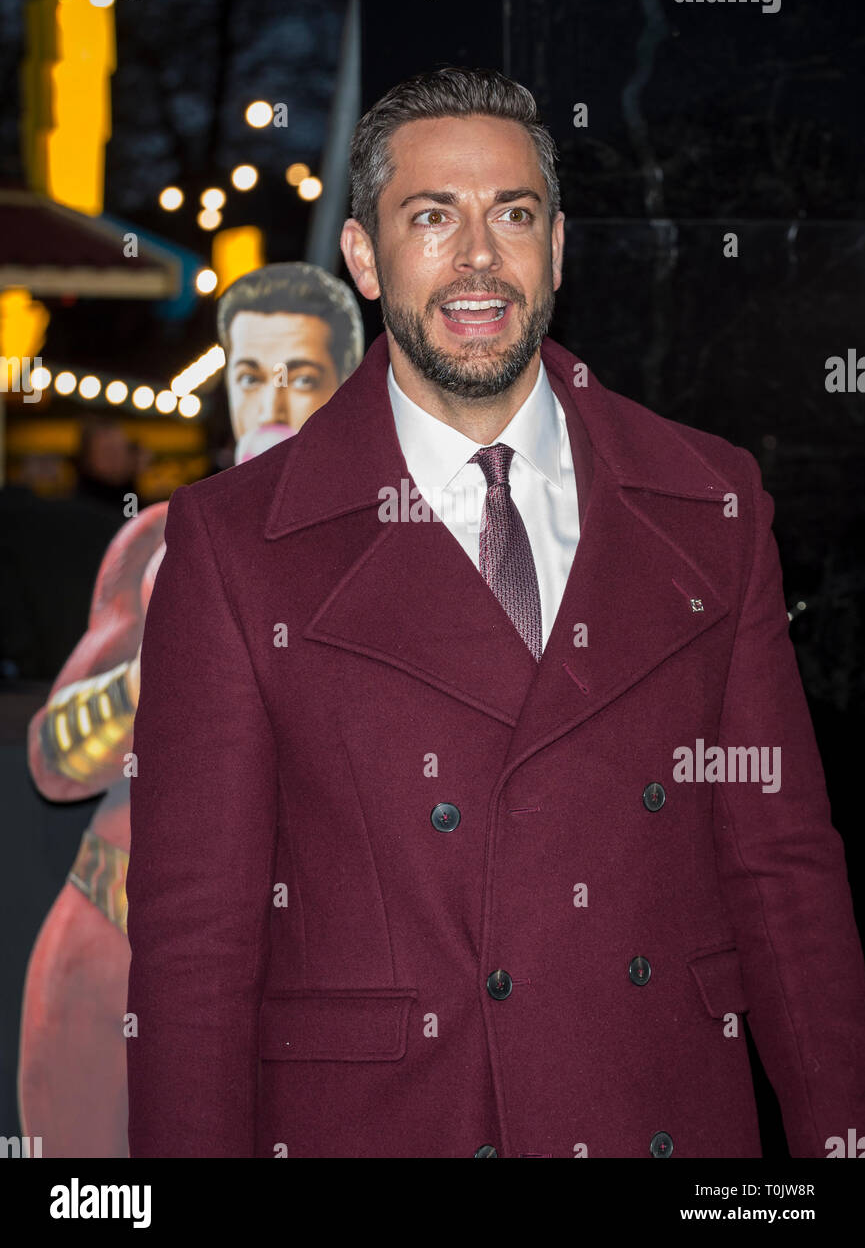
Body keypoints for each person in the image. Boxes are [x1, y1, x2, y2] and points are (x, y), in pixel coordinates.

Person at [126, 68, 865, 1160]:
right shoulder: (236, 546)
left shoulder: (708, 502)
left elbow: (783, 872)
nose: (479, 256)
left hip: (654, 1116)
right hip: (391, 1128)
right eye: (432, 216)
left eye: (511, 214)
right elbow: (194, 952)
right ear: (365, 259)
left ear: (557, 246)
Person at [19, 262, 363, 1158]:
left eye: (302, 375)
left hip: (324, 985)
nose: (273, 401)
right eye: (250, 375)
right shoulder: (161, 537)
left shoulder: (408, 548)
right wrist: (153, 662)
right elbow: (55, 758)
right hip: (111, 964)